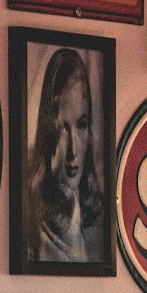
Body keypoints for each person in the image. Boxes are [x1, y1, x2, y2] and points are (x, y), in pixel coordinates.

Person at [21, 48, 100, 266]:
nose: (73, 150)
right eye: (63, 129)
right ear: (49, 129)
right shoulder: (33, 226)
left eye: (82, 125)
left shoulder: (92, 223)